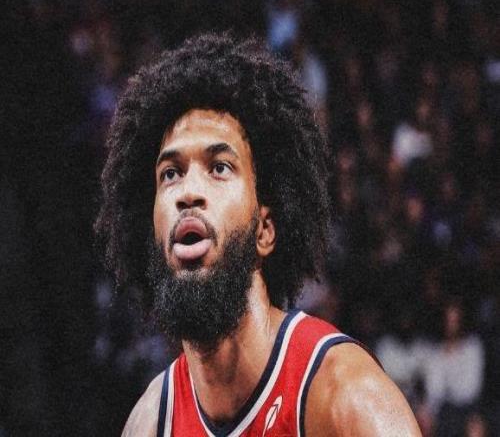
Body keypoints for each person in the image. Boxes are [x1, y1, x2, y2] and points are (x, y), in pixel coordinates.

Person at [96, 33, 421, 436]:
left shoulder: (348, 399)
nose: (187, 192)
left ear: (265, 231)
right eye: (171, 173)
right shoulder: (149, 424)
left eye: (219, 167)